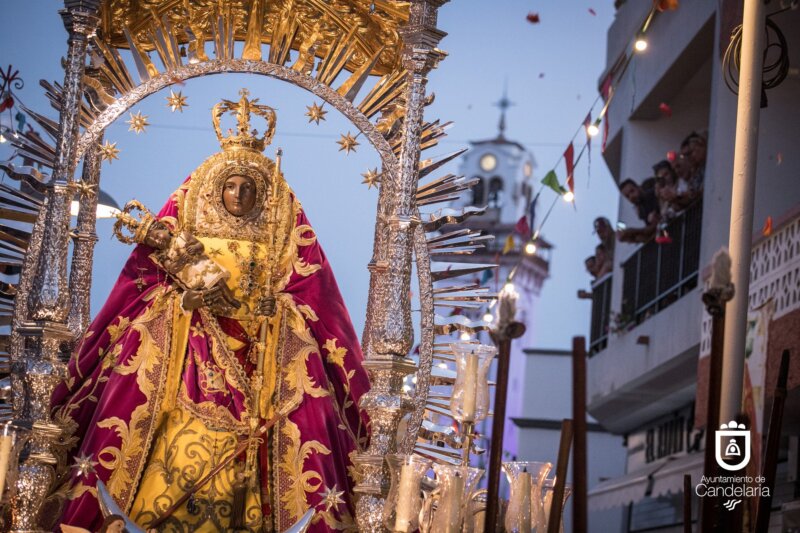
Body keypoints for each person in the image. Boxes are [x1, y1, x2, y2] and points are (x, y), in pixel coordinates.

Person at [52, 91, 369, 532]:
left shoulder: (281, 236)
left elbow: (313, 298)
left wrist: (274, 311)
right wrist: (185, 302)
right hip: (188, 358)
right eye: (231, 186)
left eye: (248, 187)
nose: (238, 194)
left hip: (262, 365)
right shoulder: (186, 233)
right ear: (215, 189)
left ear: (263, 192)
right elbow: (148, 286)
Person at [617, 178, 659, 242]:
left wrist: (633, 231)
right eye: (627, 196)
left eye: (632, 191)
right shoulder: (641, 209)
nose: (631, 196)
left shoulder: (652, 196)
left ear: (638, 187)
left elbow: (655, 226)